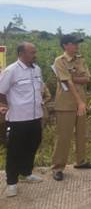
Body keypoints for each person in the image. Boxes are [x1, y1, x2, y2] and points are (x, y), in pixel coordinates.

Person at [51, 35, 91, 181]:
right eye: (74, 43)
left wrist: (73, 77)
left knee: (82, 134)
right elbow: (68, 83)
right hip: (66, 104)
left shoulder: (80, 59)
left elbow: (87, 78)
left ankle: (81, 161)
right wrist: (79, 101)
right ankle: (58, 168)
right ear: (65, 45)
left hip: (80, 104)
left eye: (78, 43)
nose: (77, 46)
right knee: (64, 136)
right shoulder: (60, 61)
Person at [0, 42, 44, 197]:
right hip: (18, 118)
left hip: (35, 116)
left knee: (33, 144)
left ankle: (26, 172)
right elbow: (1, 91)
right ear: (22, 54)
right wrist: (4, 105)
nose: (35, 54)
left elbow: (39, 89)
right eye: (32, 52)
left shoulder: (37, 69)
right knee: (14, 150)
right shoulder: (11, 71)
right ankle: (11, 182)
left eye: (35, 52)